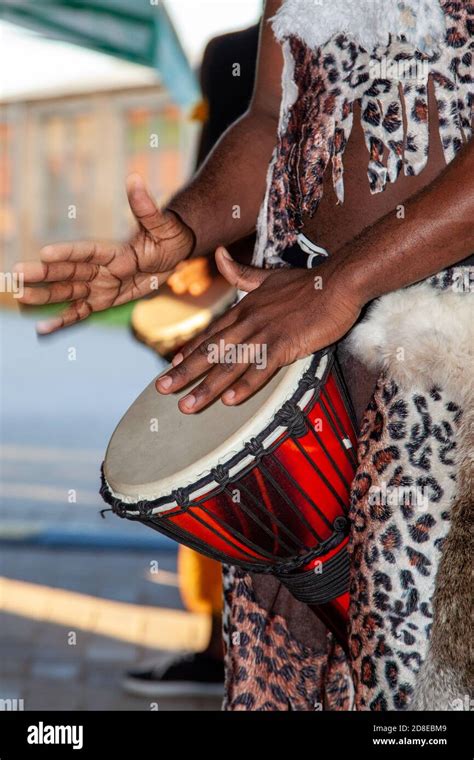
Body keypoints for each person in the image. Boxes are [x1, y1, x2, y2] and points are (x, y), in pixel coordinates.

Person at [16, 0, 473, 711]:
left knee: (422, 685)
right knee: (281, 676)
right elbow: (269, 119)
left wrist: (342, 282)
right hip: (291, 324)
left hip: (445, 351)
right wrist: (184, 227)